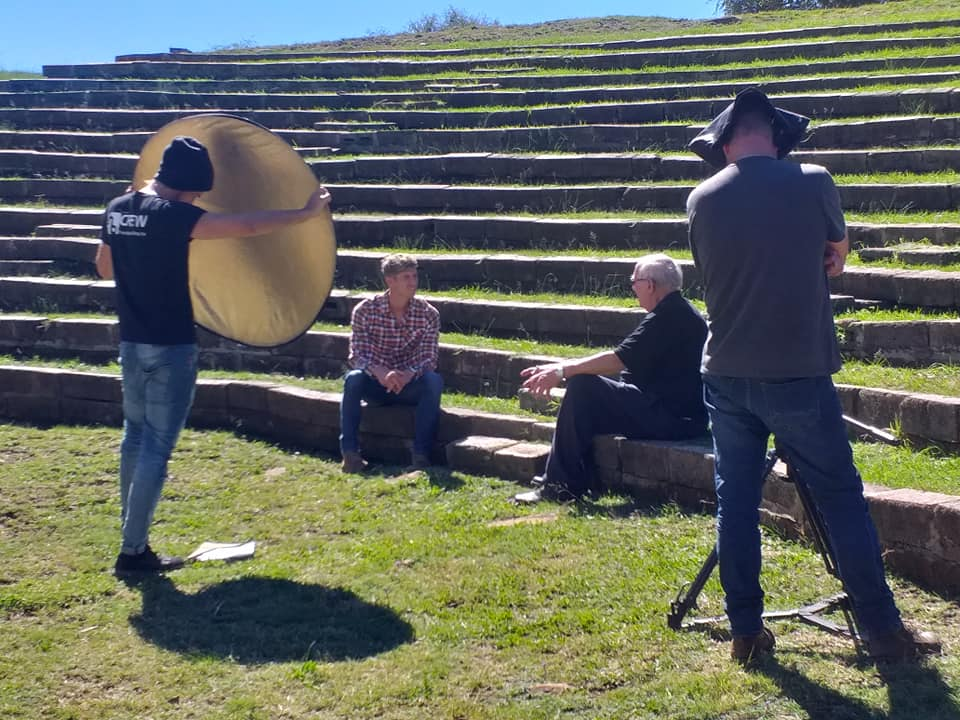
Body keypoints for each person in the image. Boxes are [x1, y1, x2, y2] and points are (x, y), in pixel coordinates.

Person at [686, 87, 941, 662]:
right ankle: (883, 632)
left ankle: (745, 632)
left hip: (725, 372)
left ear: (725, 142)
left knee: (736, 504)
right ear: (777, 137)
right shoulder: (813, 180)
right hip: (797, 371)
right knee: (840, 499)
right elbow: (836, 254)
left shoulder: (700, 198)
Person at [96, 135, 332, 574]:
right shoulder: (174, 215)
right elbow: (247, 227)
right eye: (196, 193)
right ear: (186, 186)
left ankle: (131, 538)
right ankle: (132, 551)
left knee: (135, 437)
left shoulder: (117, 207)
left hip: (131, 342)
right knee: (155, 447)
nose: (197, 200)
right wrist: (303, 214)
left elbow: (104, 267)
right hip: (171, 346)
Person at [514, 253, 708, 504]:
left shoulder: (670, 316)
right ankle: (575, 482)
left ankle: (559, 487)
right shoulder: (676, 311)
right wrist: (561, 367)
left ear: (650, 285)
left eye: (635, 282)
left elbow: (618, 359)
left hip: (674, 418)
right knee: (586, 400)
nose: (633, 288)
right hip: (668, 411)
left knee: (583, 387)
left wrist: (563, 371)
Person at [339, 253, 442, 473]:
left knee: (433, 381)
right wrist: (380, 372)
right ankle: (350, 454)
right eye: (406, 277)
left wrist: (409, 373)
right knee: (353, 379)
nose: (413, 282)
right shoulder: (365, 310)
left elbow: (429, 358)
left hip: (409, 384)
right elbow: (357, 355)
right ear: (390, 280)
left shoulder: (428, 314)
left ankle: (421, 456)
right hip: (375, 384)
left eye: (414, 276)